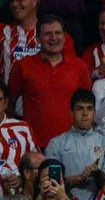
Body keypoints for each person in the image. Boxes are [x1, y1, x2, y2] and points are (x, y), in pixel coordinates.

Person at [8, 16, 92, 148]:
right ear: (37, 38)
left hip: (72, 145)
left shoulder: (80, 66)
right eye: (48, 34)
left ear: (64, 37)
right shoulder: (22, 65)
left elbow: (89, 106)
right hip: (34, 146)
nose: (53, 38)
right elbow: (9, 104)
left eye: (57, 33)